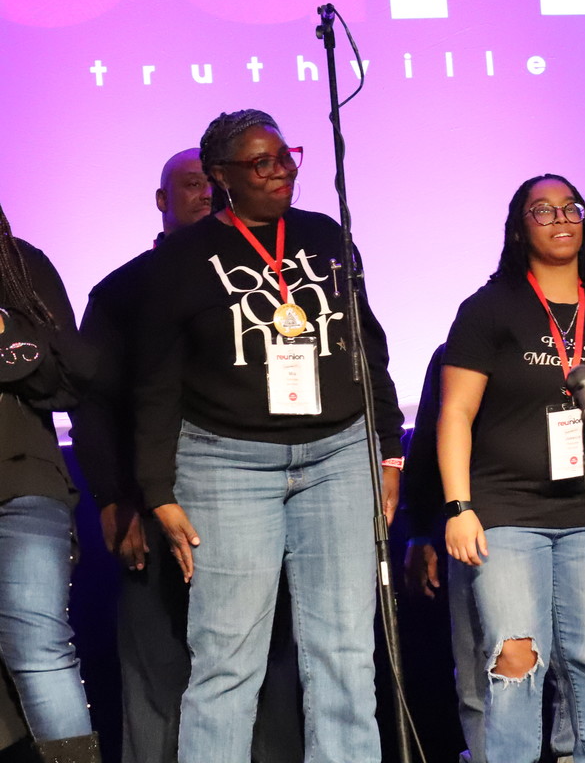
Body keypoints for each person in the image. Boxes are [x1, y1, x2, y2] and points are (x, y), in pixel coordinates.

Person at [133, 109, 404, 763]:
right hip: (227, 464)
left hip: (339, 454)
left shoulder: (325, 234)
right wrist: (157, 491)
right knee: (227, 659)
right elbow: (156, 383)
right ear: (221, 176)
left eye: (286, 156)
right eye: (262, 162)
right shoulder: (182, 260)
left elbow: (366, 344)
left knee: (345, 652)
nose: (281, 171)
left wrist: (389, 451)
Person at [71, 149, 303, 763]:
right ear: (161, 199)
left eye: (213, 184)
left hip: (251, 500)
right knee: (157, 670)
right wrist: (114, 498)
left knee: (265, 665)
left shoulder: (264, 279)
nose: (206, 194)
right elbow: (94, 403)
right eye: (192, 183)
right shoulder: (124, 289)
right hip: (153, 506)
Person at [439, 174, 585, 763]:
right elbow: (455, 413)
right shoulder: (489, 309)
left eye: (570, 207)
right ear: (518, 229)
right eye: (543, 210)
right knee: (516, 656)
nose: (560, 219)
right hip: (506, 512)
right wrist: (458, 507)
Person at [403, 342, 585, 763]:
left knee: (578, 658)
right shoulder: (462, 349)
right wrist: (419, 531)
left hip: (574, 519)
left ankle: (572, 755)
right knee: (485, 660)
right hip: (484, 523)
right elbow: (430, 436)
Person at [0, 202, 101, 763]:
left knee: (38, 648)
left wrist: (5, 328)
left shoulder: (19, 264)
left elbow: (70, 377)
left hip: (20, 481)